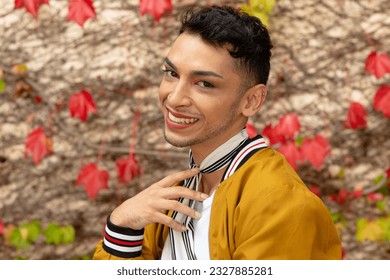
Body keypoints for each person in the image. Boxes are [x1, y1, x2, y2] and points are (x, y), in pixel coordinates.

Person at [93, 5, 342, 260]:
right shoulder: (169, 201)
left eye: (204, 84)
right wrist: (121, 227)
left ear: (252, 100)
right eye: (171, 73)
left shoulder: (281, 205)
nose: (175, 98)